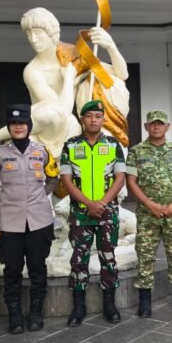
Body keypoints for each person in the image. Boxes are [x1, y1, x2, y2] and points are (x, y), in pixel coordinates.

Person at [0, 7, 130, 154]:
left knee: (108, 88)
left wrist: (111, 47)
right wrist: (69, 80)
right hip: (45, 130)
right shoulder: (32, 71)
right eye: (29, 34)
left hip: (69, 129)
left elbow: (121, 75)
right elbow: (60, 110)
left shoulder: (72, 55)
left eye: (38, 33)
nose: (33, 39)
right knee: (50, 112)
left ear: (52, 34)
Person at [0, 104, 59, 334]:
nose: (18, 127)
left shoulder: (42, 151)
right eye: (14, 124)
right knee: (12, 270)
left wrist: (39, 196)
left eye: (22, 123)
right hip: (9, 224)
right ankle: (15, 315)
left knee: (38, 268)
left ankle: (36, 313)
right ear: (9, 127)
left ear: (29, 126)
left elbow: (53, 178)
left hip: (39, 221)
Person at [60, 100, 126, 327]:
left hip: (107, 213)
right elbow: (66, 180)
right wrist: (88, 204)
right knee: (79, 260)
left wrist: (102, 204)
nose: (93, 120)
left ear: (103, 119)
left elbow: (120, 178)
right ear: (82, 120)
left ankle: (110, 304)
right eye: (89, 116)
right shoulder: (70, 145)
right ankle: (79, 306)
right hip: (81, 213)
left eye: (98, 116)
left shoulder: (113, 145)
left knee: (108, 257)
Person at [126, 110, 172, 317]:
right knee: (145, 255)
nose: (156, 127)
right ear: (146, 127)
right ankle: (145, 300)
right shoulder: (136, 151)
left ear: (167, 127)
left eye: (160, 123)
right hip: (147, 215)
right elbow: (131, 182)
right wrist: (150, 204)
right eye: (153, 124)